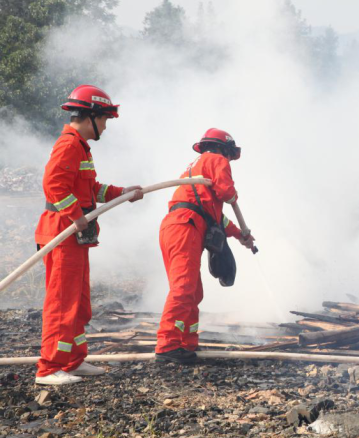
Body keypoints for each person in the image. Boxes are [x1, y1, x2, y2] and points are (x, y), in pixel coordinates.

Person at [35, 85, 143, 385]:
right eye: (104, 119)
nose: (106, 126)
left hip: (74, 236)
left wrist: (122, 193)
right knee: (61, 302)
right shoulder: (69, 144)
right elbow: (53, 184)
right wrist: (76, 215)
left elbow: (91, 189)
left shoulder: (80, 147)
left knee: (78, 302)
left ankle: (72, 361)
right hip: (62, 233)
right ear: (91, 116)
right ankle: (48, 369)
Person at [155, 129, 255, 364]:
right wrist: (233, 195)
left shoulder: (198, 168)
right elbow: (226, 191)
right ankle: (167, 346)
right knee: (183, 288)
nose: (229, 161)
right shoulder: (216, 159)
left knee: (192, 291)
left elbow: (216, 218)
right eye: (230, 155)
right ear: (224, 149)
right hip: (186, 226)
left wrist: (240, 235)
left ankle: (186, 343)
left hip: (179, 225)